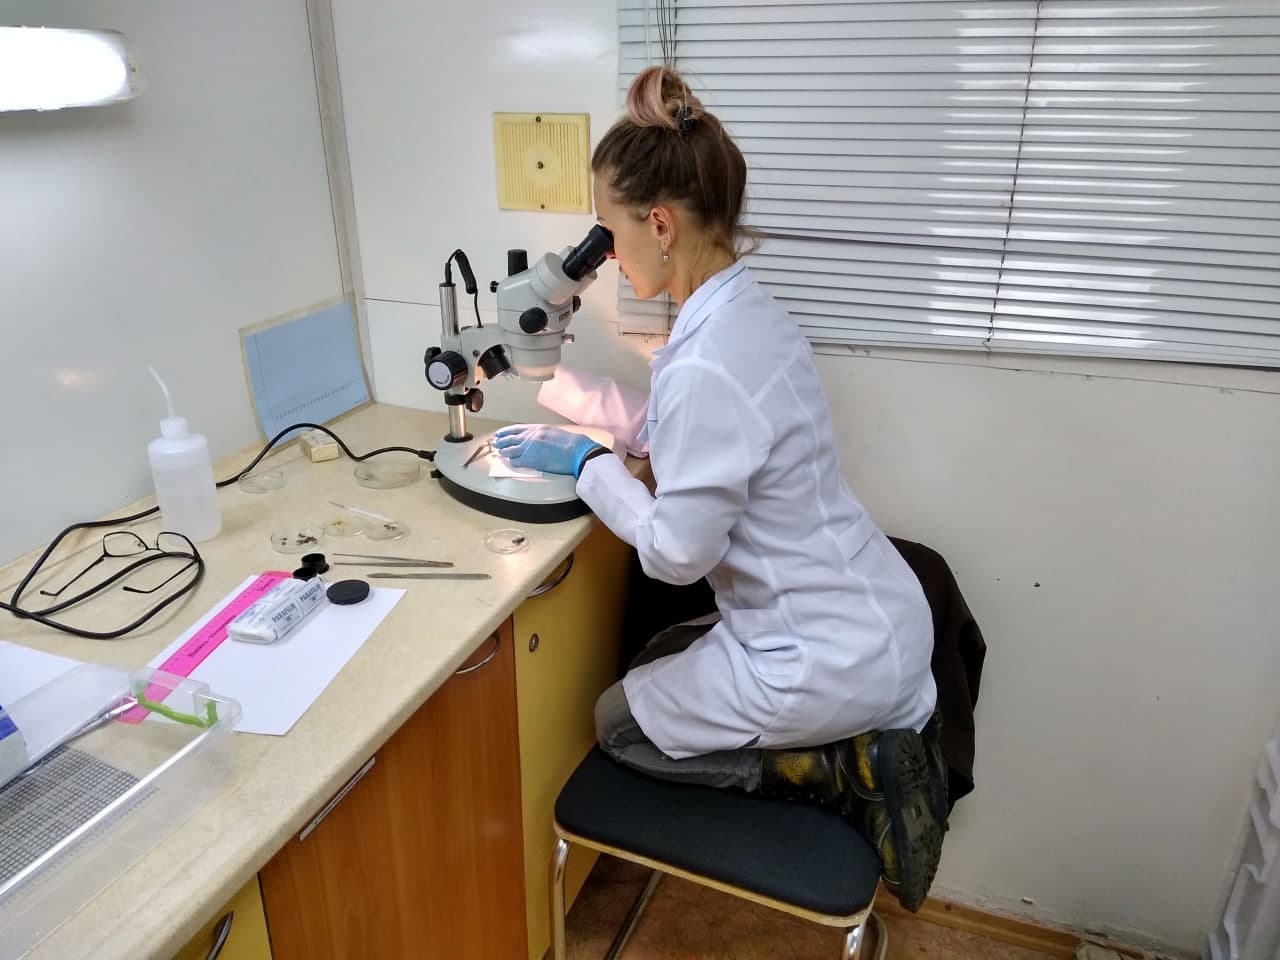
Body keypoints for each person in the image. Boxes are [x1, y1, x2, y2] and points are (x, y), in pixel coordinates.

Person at [493, 65, 947, 911]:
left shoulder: (706, 361)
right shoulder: (748, 314)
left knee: (620, 722)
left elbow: (675, 555)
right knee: (661, 657)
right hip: (870, 614)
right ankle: (848, 738)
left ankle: (840, 771)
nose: (606, 254)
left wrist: (588, 467)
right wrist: (556, 387)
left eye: (609, 230)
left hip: (821, 658)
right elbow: (685, 430)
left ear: (660, 224)